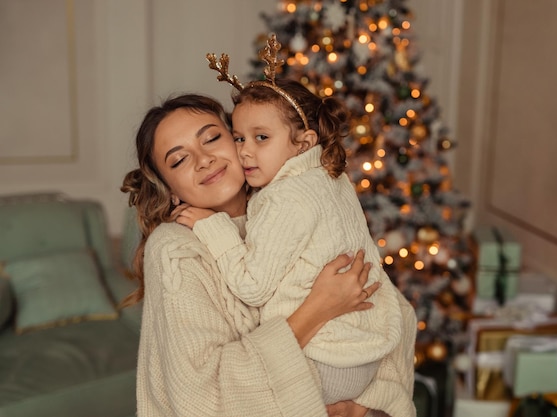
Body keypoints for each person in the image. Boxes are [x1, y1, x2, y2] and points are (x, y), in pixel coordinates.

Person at [121, 93, 417, 417]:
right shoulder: (175, 249)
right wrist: (318, 309)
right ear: (171, 189)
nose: (203, 159)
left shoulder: (285, 204)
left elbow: (390, 309)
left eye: (212, 138)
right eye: (178, 160)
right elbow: (201, 398)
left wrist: (366, 406)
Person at [174, 35, 412, 407]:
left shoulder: (284, 197)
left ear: (303, 142)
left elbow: (252, 286)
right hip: (363, 353)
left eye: (261, 137)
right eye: (238, 138)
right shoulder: (331, 177)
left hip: (325, 359)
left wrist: (211, 225)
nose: (244, 151)